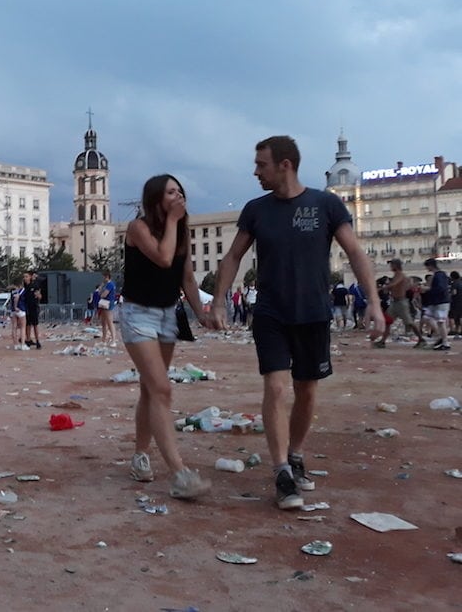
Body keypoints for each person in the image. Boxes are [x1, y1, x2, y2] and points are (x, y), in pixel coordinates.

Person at [211, 136, 384, 511]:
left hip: (314, 313)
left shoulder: (326, 204)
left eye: (262, 164)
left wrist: (373, 302)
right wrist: (220, 301)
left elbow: (354, 252)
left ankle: (296, 454)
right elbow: (232, 257)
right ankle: (281, 472)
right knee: (276, 389)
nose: (256, 171)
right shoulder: (256, 210)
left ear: (285, 164)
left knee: (306, 392)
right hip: (271, 313)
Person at [122, 174, 212, 499]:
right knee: (162, 388)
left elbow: (186, 276)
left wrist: (201, 313)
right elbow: (162, 258)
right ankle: (179, 474)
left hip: (167, 315)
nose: (178, 197)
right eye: (170, 192)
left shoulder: (182, 232)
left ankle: (140, 456)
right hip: (138, 316)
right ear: (156, 199)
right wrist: (174, 222)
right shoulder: (138, 228)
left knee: (150, 390)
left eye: (180, 191)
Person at [384, 259, 424, 346]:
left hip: (401, 302)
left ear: (396, 265)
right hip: (395, 302)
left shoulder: (400, 275)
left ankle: (421, 339)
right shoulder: (396, 275)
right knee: (387, 321)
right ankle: (382, 341)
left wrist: (383, 288)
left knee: (409, 322)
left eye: (392, 265)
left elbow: (395, 284)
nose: (390, 267)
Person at [420, 257, 451, 350]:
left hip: (440, 301)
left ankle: (445, 342)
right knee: (428, 317)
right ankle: (442, 338)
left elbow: (440, 288)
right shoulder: (440, 275)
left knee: (440, 322)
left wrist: (428, 289)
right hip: (439, 301)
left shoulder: (438, 275)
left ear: (430, 266)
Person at [97, 271, 118, 346]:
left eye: (104, 277)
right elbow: (100, 292)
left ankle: (113, 340)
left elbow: (103, 294)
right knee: (103, 322)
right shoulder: (107, 284)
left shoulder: (110, 284)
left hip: (108, 303)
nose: (102, 278)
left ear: (107, 276)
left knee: (109, 321)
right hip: (105, 303)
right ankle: (104, 339)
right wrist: (101, 287)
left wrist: (101, 292)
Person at [23, 271, 43, 349]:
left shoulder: (34, 286)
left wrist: (38, 296)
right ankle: (28, 340)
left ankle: (38, 340)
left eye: (26, 276)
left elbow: (40, 296)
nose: (25, 278)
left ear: (30, 277)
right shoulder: (24, 287)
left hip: (34, 308)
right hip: (26, 308)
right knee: (27, 325)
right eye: (24, 277)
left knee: (35, 325)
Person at [9, 283, 28, 350]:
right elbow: (17, 297)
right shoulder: (21, 290)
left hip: (13, 311)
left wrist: (13, 308)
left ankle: (15, 344)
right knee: (23, 327)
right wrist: (16, 306)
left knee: (14, 327)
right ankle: (23, 344)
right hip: (20, 309)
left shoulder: (12, 291)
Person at [449, 270, 462, 338]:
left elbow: (454, 292)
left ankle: (452, 330)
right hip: (461, 301)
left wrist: (449, 295)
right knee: (459, 317)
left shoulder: (454, 283)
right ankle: (458, 330)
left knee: (451, 316)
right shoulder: (460, 282)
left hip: (455, 302)